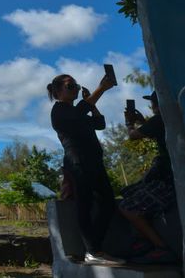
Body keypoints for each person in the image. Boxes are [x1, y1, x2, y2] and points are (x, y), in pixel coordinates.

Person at [48, 73, 124, 265]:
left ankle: (94, 248)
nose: (75, 88)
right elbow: (80, 111)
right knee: (85, 204)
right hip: (78, 164)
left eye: (76, 85)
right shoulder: (59, 111)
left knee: (108, 202)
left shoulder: (77, 113)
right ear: (57, 92)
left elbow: (100, 124)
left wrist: (93, 103)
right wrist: (101, 89)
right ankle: (93, 250)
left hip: (94, 163)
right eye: (70, 86)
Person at [119, 91, 178, 264]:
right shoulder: (173, 117)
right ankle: (145, 239)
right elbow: (155, 131)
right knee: (129, 192)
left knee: (126, 207)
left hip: (167, 181)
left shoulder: (160, 118)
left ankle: (161, 248)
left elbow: (133, 136)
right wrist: (143, 122)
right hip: (170, 177)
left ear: (156, 104)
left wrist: (129, 122)